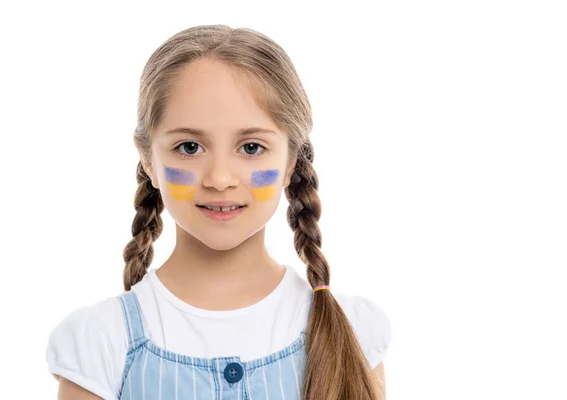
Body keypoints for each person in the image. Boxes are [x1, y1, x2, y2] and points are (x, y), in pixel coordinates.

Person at [46, 24, 392, 400]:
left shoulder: (351, 331)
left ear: (291, 159)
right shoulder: (101, 342)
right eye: (190, 147)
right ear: (148, 158)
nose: (220, 178)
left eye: (252, 147)